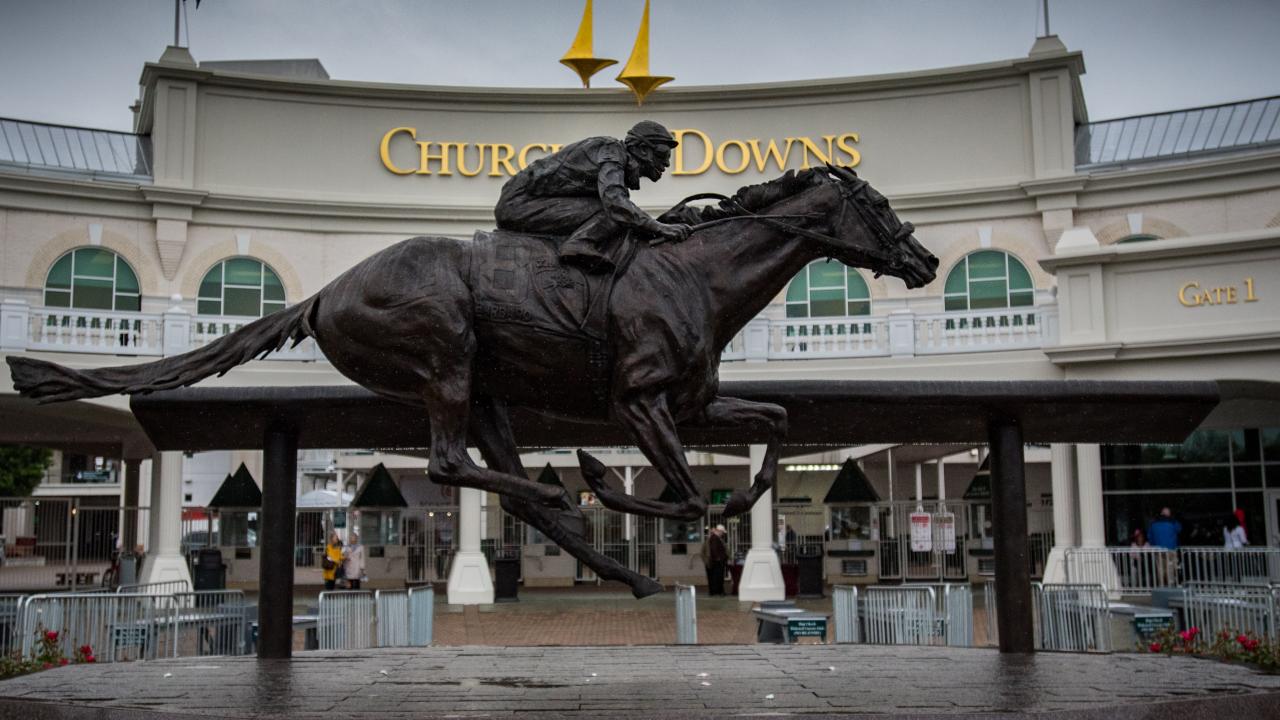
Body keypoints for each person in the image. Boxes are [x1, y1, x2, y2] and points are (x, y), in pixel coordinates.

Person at [494, 120, 691, 272]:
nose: (666, 162)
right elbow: (615, 204)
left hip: (528, 203)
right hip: (519, 204)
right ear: (642, 149)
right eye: (662, 153)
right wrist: (659, 227)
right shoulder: (612, 151)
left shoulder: (614, 157)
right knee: (613, 210)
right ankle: (578, 244)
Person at [703, 524, 729, 597]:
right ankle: (718, 592)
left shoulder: (713, 538)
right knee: (717, 577)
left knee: (714, 578)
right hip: (717, 562)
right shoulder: (715, 538)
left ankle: (715, 592)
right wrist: (719, 559)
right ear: (719, 531)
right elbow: (714, 550)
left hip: (714, 562)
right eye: (722, 532)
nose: (723, 534)